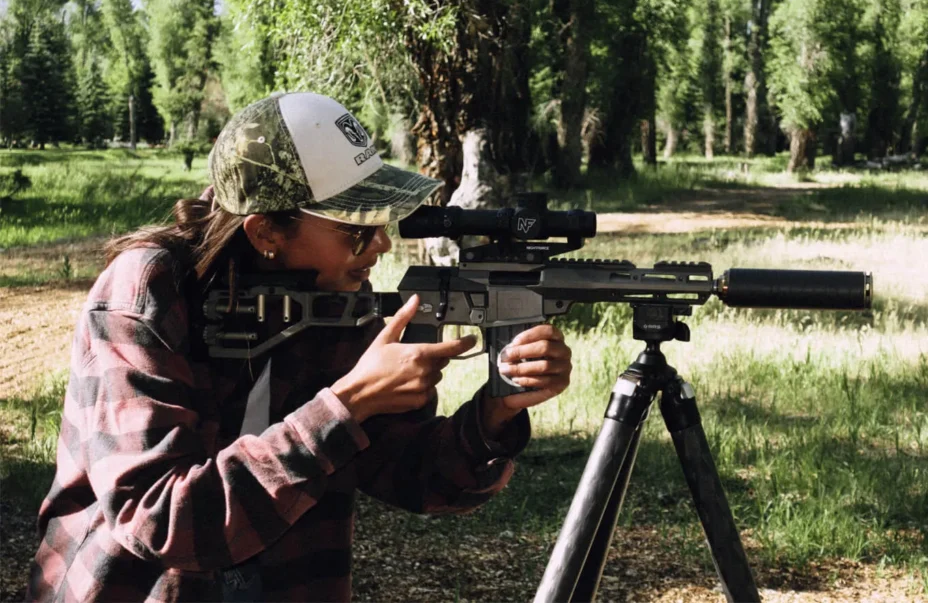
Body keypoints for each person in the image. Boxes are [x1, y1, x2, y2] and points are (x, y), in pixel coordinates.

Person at [27, 92, 573, 601]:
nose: (381, 243)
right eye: (355, 228)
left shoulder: (335, 297)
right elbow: (161, 521)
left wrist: (498, 413)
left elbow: (413, 475)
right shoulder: (146, 293)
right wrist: (347, 405)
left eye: (380, 220)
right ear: (266, 232)